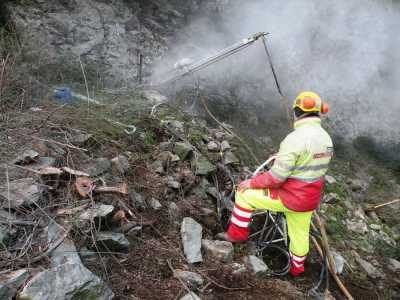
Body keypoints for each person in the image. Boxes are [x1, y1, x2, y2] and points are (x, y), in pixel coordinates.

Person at [217, 91, 333, 276]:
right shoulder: (326, 138)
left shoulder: (295, 138)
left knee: (244, 194)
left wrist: (252, 183)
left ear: (297, 111)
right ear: (319, 112)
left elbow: (276, 178)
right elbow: (307, 163)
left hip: (289, 197)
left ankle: (236, 235)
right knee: (300, 235)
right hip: (308, 200)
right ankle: (297, 269)